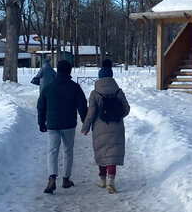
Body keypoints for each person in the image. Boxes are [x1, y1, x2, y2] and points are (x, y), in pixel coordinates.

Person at [37, 59, 88, 194]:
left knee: (52, 151)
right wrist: (86, 123)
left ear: (57, 71)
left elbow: (41, 107)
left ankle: (52, 178)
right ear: (69, 71)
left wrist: (41, 123)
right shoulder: (75, 87)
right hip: (69, 124)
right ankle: (66, 179)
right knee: (67, 151)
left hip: (52, 124)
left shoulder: (48, 88)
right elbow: (82, 107)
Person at [81, 58, 131, 194]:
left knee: (102, 153)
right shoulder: (118, 92)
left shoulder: (95, 93)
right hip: (116, 126)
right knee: (112, 155)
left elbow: (91, 113)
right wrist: (117, 117)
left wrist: (85, 128)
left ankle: (102, 180)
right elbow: (126, 109)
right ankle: (111, 182)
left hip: (100, 127)